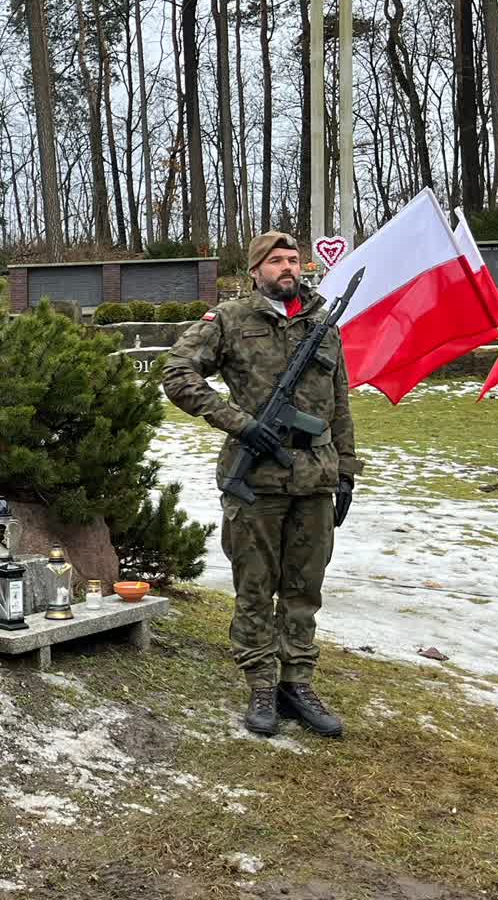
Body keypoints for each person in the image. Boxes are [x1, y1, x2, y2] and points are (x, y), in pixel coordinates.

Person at [161, 231, 361, 739]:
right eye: (276, 261)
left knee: (304, 589)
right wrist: (238, 422)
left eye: (293, 259)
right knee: (255, 588)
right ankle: (262, 684)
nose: (288, 267)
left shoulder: (324, 322)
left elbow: (340, 402)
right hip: (256, 479)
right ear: (256, 270)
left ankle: (298, 682)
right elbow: (177, 372)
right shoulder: (231, 319)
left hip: (315, 477)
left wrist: (346, 472)